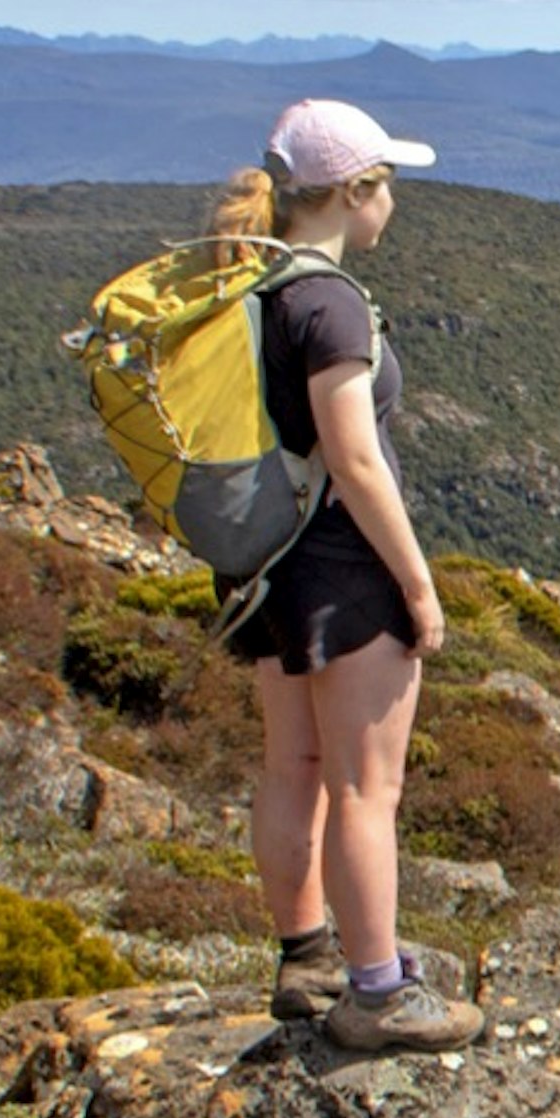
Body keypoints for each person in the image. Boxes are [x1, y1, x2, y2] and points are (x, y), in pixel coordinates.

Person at [209, 97, 486, 1053]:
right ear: (356, 194)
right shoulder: (327, 301)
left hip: (268, 566)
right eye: (389, 184)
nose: (394, 202)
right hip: (340, 571)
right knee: (369, 788)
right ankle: (377, 991)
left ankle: (307, 957)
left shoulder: (246, 282)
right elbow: (356, 459)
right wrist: (417, 584)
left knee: (295, 768)